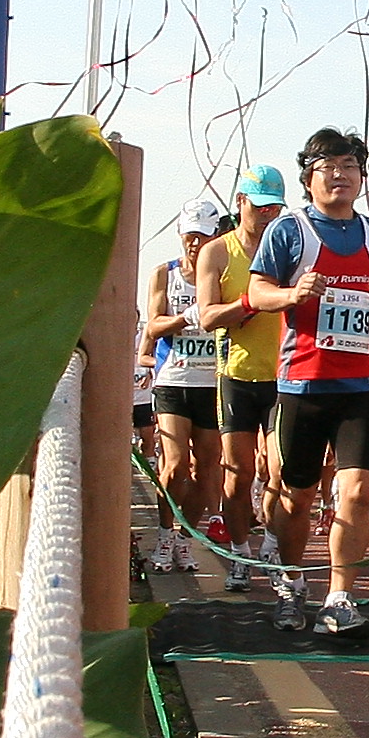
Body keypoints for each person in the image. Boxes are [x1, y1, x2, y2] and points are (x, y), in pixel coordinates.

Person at [245, 130, 369, 638]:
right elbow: (256, 291)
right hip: (302, 385)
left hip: (360, 386)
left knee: (355, 491)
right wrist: (289, 295)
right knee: (296, 497)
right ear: (308, 177)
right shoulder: (290, 231)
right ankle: (290, 582)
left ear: (361, 176)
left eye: (349, 165)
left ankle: (339, 598)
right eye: (328, 165)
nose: (339, 174)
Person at [195, 169, 290, 559]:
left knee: (282, 471)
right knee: (238, 474)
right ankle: (238, 551)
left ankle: (269, 544)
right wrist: (248, 304)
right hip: (236, 375)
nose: (266, 214)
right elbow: (207, 317)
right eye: (259, 206)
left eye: (274, 208)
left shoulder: (287, 247)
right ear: (240, 202)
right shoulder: (217, 252)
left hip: (283, 376)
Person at [145, 202, 232, 565]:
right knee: (175, 465)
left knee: (207, 468)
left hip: (210, 382)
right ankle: (165, 534)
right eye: (189, 236)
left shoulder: (223, 273)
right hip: (174, 378)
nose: (195, 244)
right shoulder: (165, 274)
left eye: (202, 236)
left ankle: (185, 537)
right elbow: (152, 326)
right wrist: (186, 317)